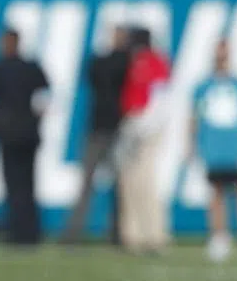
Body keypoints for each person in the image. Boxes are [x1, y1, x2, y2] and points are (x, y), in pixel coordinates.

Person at [188, 39, 237, 262]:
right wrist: (191, 144)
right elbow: (194, 118)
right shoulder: (203, 87)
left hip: (234, 148)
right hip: (212, 147)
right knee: (216, 193)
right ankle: (219, 236)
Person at [0, 28, 50, 246]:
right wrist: (36, 119)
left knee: (17, 184)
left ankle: (20, 232)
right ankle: (28, 232)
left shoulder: (1, 68)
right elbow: (44, 95)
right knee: (25, 184)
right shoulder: (29, 67)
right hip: (25, 133)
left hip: (12, 134)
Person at [60, 25, 129, 244]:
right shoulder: (118, 61)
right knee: (90, 184)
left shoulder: (115, 62)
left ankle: (118, 232)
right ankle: (75, 232)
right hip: (103, 128)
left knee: (117, 186)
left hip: (116, 130)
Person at [115, 26, 171, 254]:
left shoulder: (155, 62)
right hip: (130, 123)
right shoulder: (132, 61)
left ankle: (154, 234)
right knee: (128, 182)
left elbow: (161, 96)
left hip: (146, 125)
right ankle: (132, 235)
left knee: (146, 180)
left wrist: (147, 123)